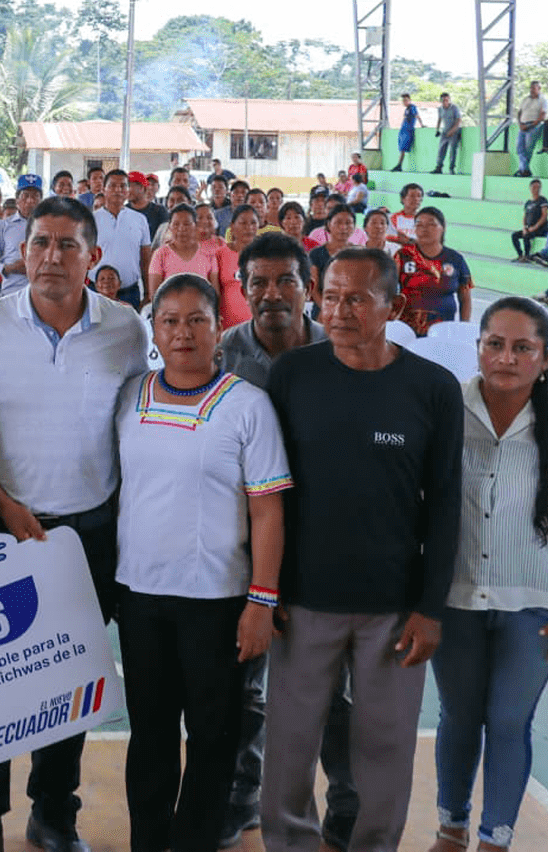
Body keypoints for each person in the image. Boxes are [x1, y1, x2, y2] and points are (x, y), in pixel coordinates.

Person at [0, 195, 147, 852]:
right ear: (20, 251)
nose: (52, 256)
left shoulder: (127, 329)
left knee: (69, 684)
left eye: (69, 245)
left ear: (96, 257)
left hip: (90, 535)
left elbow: (137, 433)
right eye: (41, 242)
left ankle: (53, 816)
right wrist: (6, 507)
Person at [262, 248, 463, 852]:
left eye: (355, 298)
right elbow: (269, 496)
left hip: (394, 610)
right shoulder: (293, 375)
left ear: (393, 306)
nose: (338, 310)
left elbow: (446, 504)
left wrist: (430, 608)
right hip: (302, 603)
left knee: (387, 752)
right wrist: (266, 590)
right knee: (289, 751)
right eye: (329, 296)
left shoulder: (433, 388)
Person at [117, 273, 288, 852]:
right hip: (140, 599)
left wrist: (261, 602)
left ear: (220, 329)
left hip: (217, 602)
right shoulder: (130, 396)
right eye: (169, 320)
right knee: (151, 738)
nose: (183, 332)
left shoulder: (248, 406)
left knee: (214, 741)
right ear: (154, 330)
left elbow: (267, 512)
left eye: (197, 320)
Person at [216, 233, 358, 852]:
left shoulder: (344, 352)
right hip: (247, 548)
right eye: (259, 284)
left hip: (327, 549)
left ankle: (348, 813)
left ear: (309, 288)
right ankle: (242, 801)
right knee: (246, 689)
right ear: (243, 289)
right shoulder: (226, 352)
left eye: (286, 282)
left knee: (334, 689)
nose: (272, 294)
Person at [422, 298, 548, 852]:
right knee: (459, 716)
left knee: (508, 722)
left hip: (534, 605)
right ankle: (451, 827)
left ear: (544, 357)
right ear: (478, 348)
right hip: (455, 596)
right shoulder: (447, 408)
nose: (506, 357)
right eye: (495, 343)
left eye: (523, 347)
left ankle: (495, 838)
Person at [396, 207, 473, 336]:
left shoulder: (455, 259)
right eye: (419, 224)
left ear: (442, 228)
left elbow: (465, 298)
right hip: (406, 331)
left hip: (443, 332)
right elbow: (387, 291)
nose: (424, 229)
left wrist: (463, 328)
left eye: (431, 224)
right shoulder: (402, 256)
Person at [92, 170, 152, 310]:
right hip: (97, 292)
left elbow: (145, 259)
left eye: (123, 186)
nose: (118, 190)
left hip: (129, 293)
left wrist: (148, 293)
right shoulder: (91, 220)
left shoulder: (140, 220)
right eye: (112, 186)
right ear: (103, 189)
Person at [146, 204, 217, 301]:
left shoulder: (208, 254)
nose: (181, 228)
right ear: (170, 227)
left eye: (187, 224)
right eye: (176, 224)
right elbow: (154, 295)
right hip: (170, 312)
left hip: (200, 311)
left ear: (195, 226)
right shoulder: (160, 254)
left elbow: (215, 293)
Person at [0, 176, 39, 297]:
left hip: (41, 296)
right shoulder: (3, 226)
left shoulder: (49, 227)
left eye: (35, 196)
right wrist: (8, 268)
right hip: (12, 293)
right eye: (25, 196)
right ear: (17, 200)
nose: (30, 201)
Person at [308, 207, 361, 317]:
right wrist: (330, 310)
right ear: (328, 225)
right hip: (323, 310)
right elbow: (314, 289)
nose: (343, 227)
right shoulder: (316, 254)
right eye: (338, 223)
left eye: (348, 223)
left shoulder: (360, 253)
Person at [217, 206, 258, 328]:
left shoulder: (265, 254)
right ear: (232, 226)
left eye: (253, 223)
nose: (249, 228)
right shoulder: (220, 254)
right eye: (243, 223)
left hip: (258, 326)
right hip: (226, 327)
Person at [517, 80, 545, 177]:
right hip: (522, 125)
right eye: (531, 88)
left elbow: (542, 116)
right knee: (520, 149)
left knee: (528, 149)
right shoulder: (526, 99)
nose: (531, 90)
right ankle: (525, 170)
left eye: (534, 88)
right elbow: (519, 112)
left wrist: (529, 126)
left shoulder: (542, 100)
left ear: (539, 88)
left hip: (534, 126)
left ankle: (523, 170)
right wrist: (520, 124)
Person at [515, 179, 548, 263]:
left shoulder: (542, 200)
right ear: (530, 188)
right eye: (534, 187)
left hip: (540, 228)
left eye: (538, 187)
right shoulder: (528, 203)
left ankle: (527, 256)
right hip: (529, 228)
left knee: (527, 236)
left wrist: (535, 227)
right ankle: (520, 255)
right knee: (514, 235)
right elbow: (525, 217)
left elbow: (544, 215)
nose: (536, 189)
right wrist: (524, 228)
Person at [434, 92, 464, 175]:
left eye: (447, 100)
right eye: (443, 100)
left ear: (449, 100)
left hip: (454, 131)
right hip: (445, 131)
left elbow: (459, 120)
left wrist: (452, 131)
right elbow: (439, 119)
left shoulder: (454, 108)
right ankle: (439, 167)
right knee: (441, 149)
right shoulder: (440, 109)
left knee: (452, 150)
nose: (445, 102)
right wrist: (437, 129)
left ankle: (451, 169)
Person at [392, 93, 423, 172]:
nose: (404, 102)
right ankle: (399, 164)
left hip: (408, 130)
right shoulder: (406, 109)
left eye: (406, 100)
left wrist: (422, 124)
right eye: (403, 101)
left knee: (403, 148)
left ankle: (399, 165)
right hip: (403, 129)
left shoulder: (412, 107)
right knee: (400, 147)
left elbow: (417, 116)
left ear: (409, 100)